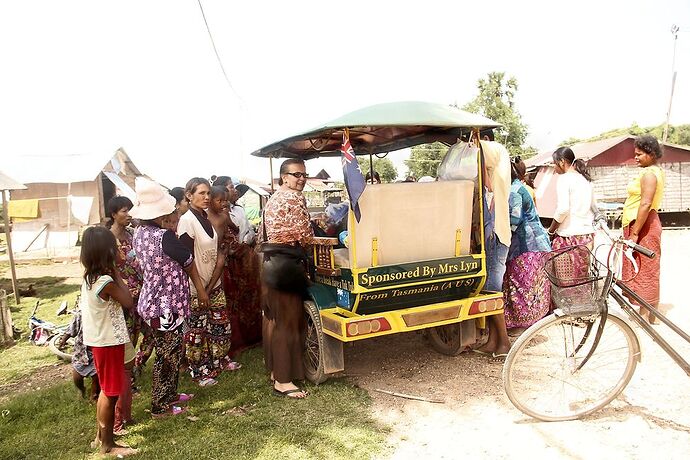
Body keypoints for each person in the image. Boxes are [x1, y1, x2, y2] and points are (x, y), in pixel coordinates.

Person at [131, 177, 204, 417]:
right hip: (166, 307)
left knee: (171, 351)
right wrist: (201, 290)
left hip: (151, 301)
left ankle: (171, 395)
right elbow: (189, 262)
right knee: (167, 355)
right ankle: (160, 405)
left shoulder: (140, 233)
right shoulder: (165, 237)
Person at [79, 226, 136, 456]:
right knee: (110, 392)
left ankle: (100, 436)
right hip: (108, 342)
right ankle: (108, 445)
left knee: (107, 389)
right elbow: (128, 301)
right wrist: (116, 271)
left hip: (103, 340)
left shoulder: (90, 277)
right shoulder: (106, 281)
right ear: (107, 252)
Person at [260, 158, 313, 398]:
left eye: (304, 175)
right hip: (286, 264)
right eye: (296, 175)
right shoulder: (293, 198)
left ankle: (276, 372)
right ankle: (283, 381)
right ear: (284, 177)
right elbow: (304, 235)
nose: (301, 179)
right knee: (288, 323)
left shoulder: (273, 198)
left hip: (272, 264)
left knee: (276, 320)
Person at [178, 178, 234, 386]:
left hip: (213, 282)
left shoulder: (205, 217)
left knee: (219, 325)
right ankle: (198, 371)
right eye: (201, 193)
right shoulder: (187, 221)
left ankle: (218, 360)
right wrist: (201, 290)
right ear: (189, 195)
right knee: (196, 331)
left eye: (208, 193)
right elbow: (186, 260)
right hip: (196, 286)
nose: (207, 197)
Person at [502, 159, 552, 331]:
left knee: (522, 285)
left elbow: (514, 221)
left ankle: (523, 326)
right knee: (533, 284)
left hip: (526, 245)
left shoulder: (514, 191)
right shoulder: (519, 187)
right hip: (537, 244)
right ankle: (534, 323)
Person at [106, 195, 142, 434]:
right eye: (123, 211)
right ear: (113, 214)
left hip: (139, 295)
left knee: (135, 339)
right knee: (123, 344)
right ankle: (116, 392)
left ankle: (130, 382)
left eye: (130, 209)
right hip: (120, 298)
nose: (128, 214)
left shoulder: (131, 235)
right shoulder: (108, 239)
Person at [474, 130, 512, 358]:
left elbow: (479, 151)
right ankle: (493, 340)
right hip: (494, 233)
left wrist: (472, 144)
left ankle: (504, 342)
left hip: (496, 234)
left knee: (492, 289)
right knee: (488, 287)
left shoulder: (493, 150)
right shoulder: (497, 164)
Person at [215, 177, 263, 354]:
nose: (234, 190)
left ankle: (252, 337)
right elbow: (227, 242)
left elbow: (246, 231)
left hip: (245, 262)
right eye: (230, 187)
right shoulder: (217, 215)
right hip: (230, 264)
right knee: (233, 303)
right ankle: (235, 342)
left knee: (249, 299)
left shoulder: (239, 210)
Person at [621, 135, 665, 324]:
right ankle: (647, 313)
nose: (636, 157)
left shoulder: (649, 174)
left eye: (640, 154)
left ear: (652, 154)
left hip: (644, 225)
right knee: (644, 268)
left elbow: (645, 203)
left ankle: (649, 316)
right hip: (641, 223)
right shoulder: (652, 171)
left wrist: (635, 232)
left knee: (647, 269)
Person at [547, 147, 600, 279]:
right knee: (581, 280)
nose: (554, 167)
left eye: (554, 163)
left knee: (565, 282)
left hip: (569, 237)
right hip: (586, 236)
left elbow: (563, 209)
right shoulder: (584, 180)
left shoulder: (565, 179)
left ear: (562, 162)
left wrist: (551, 230)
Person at [62, 308, 100, 401]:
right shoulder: (81, 314)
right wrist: (63, 340)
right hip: (81, 352)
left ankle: (94, 396)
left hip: (96, 351)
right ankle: (82, 389)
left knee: (96, 377)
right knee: (77, 377)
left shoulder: (102, 312)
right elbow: (71, 329)